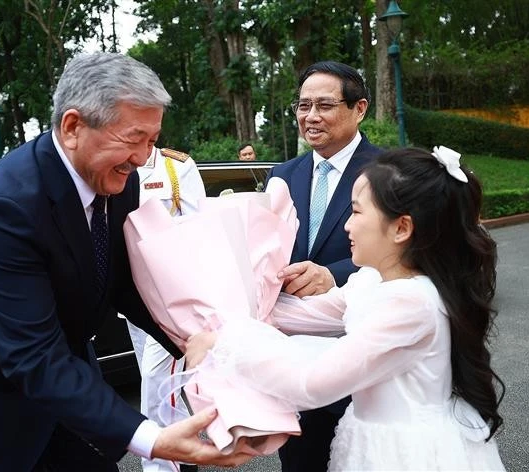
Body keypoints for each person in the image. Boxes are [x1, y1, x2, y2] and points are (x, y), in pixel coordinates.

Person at [0, 52, 252, 472]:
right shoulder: (5, 205)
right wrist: (153, 438)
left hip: (71, 387)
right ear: (73, 127)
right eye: (135, 138)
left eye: (153, 140)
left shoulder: (119, 179)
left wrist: (191, 340)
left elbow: (128, 281)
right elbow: (32, 355)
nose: (146, 158)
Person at [186, 146, 506, 471]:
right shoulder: (371, 279)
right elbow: (298, 315)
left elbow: (311, 383)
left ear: (401, 228)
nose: (347, 226)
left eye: (356, 212)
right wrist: (226, 305)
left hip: (407, 454)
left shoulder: (412, 304)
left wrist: (225, 344)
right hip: (371, 435)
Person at [264, 60, 382, 471]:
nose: (311, 117)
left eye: (325, 106)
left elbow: (411, 252)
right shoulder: (282, 174)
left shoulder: (389, 172)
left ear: (359, 108)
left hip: (361, 361)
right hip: (295, 370)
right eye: (303, 105)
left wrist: (334, 274)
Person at [126, 145, 206, 472]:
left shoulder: (177, 168)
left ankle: (160, 466)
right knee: (160, 384)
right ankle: (185, 457)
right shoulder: (115, 164)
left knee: (155, 385)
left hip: (172, 300)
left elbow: (200, 231)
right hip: (132, 297)